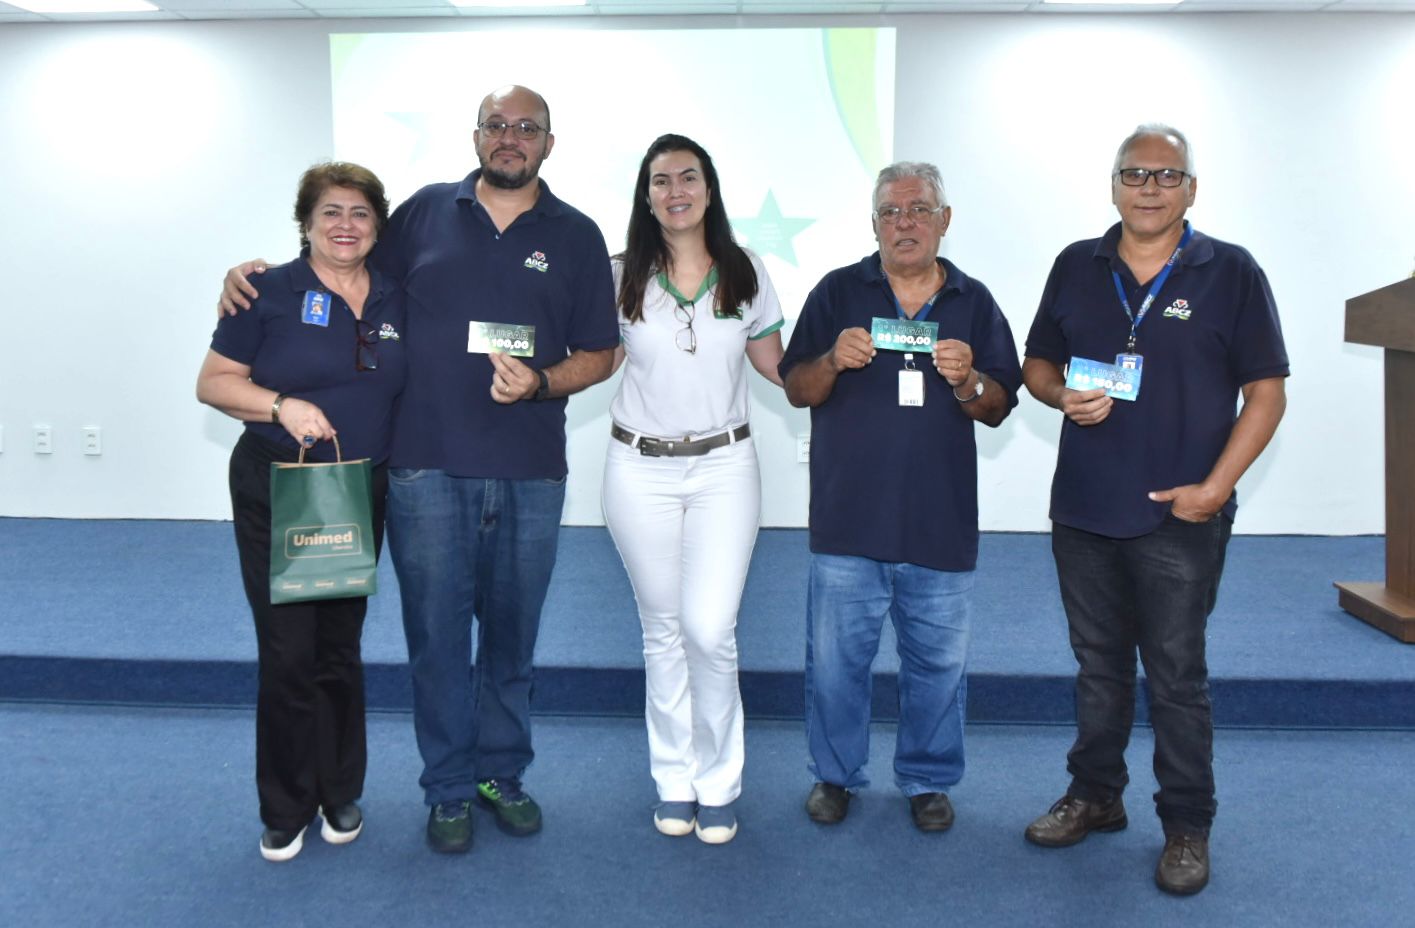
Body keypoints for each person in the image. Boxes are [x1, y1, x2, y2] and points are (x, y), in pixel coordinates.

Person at [219, 86, 618, 854]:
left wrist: (541, 381)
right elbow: (340, 267)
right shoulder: (422, 213)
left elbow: (601, 352)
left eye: (526, 128)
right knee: (436, 643)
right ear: (476, 136)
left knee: (511, 643)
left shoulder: (576, 234)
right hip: (424, 472)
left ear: (548, 143)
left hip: (530, 472)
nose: (510, 137)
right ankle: (447, 789)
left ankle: (501, 773)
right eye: (496, 125)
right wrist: (251, 279)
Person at [1020, 124, 1288, 895]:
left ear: (1190, 190)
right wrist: (1057, 394)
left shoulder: (1230, 271)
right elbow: (1037, 363)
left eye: (1167, 175)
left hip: (1181, 515)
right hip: (1083, 509)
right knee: (1097, 669)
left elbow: (1265, 394)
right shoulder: (1076, 264)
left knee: (1174, 679)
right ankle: (1094, 795)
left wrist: (1214, 489)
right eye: (1133, 173)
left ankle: (1186, 825)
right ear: (1112, 185)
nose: (1148, 187)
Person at [779, 161, 1021, 833]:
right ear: (874, 224)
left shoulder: (974, 300)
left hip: (940, 522)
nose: (904, 223)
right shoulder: (837, 292)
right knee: (835, 667)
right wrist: (831, 359)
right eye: (890, 212)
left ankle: (928, 779)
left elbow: (1000, 405)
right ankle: (834, 776)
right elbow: (795, 388)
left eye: (918, 210)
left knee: (938, 668)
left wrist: (969, 381)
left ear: (945, 221)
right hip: (847, 521)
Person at [197, 161, 406, 862]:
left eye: (360, 213)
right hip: (279, 488)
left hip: (358, 490)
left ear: (378, 226)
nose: (346, 225)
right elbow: (214, 383)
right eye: (331, 213)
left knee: (340, 645)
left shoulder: (398, 295)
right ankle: (286, 803)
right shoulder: (265, 291)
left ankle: (339, 788)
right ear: (306, 223)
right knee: (289, 650)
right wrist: (281, 405)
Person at [602, 134, 784, 845]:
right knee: (662, 630)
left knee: (709, 629)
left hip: (723, 469)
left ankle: (720, 781)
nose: (675, 191)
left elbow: (778, 366)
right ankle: (675, 780)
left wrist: (842, 361)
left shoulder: (746, 270)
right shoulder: (619, 274)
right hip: (638, 468)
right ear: (645, 197)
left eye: (687, 177)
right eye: (660, 181)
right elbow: (593, 358)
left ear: (709, 189)